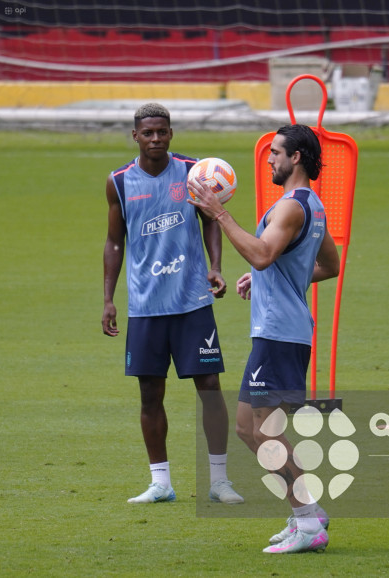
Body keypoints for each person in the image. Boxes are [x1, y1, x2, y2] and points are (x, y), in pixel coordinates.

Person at [188, 124, 340, 554]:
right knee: (245, 428)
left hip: (280, 333)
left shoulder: (291, 208)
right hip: (279, 332)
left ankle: (308, 523)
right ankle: (305, 511)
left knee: (265, 431)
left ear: (296, 158)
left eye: (275, 153)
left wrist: (220, 215)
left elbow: (261, 252)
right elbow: (328, 265)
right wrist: (268, 277)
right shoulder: (312, 205)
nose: (269, 159)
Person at [102, 103, 244, 505]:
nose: (155, 139)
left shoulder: (195, 172)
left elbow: (210, 220)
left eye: (162, 132)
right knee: (150, 394)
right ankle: (160, 482)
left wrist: (216, 266)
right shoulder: (119, 181)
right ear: (135, 136)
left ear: (171, 133)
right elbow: (115, 242)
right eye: (148, 133)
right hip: (146, 306)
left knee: (211, 388)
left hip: (192, 302)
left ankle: (219, 481)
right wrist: (109, 299)